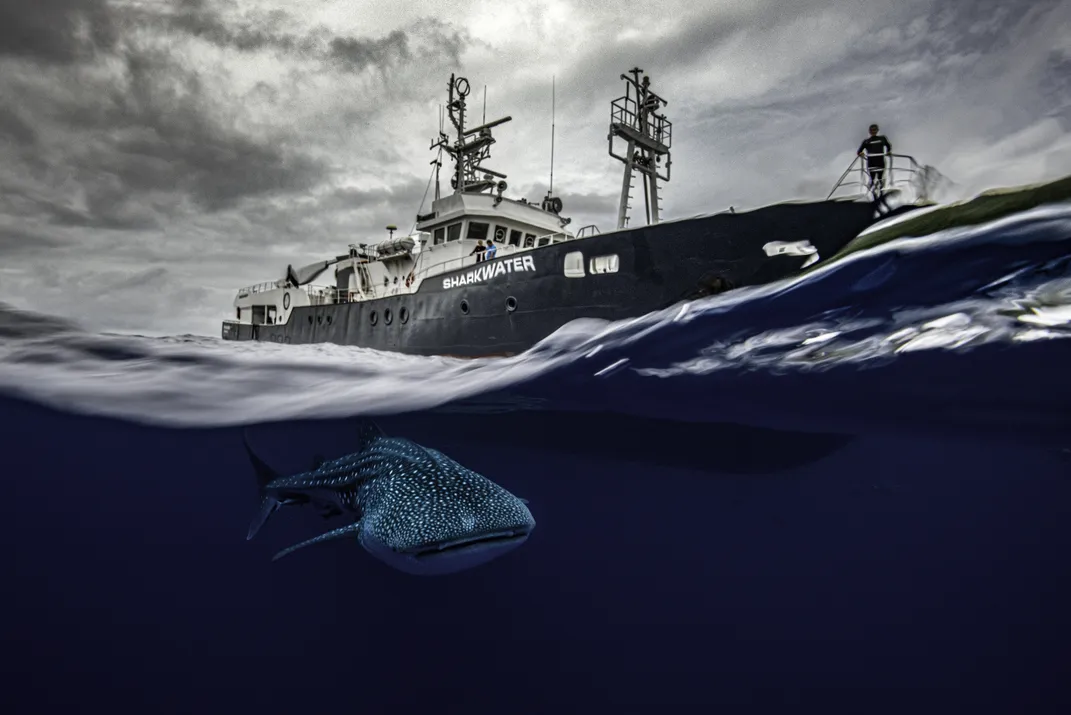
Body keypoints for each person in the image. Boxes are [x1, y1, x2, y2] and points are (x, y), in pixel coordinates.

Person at [857, 123, 892, 195]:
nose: (873, 131)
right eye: (871, 130)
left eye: (874, 130)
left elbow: (888, 146)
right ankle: (872, 195)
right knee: (872, 180)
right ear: (869, 131)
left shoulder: (882, 138)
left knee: (880, 179)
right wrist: (861, 153)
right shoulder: (866, 141)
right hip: (871, 163)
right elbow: (859, 151)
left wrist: (888, 151)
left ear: (877, 130)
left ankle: (882, 194)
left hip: (880, 162)